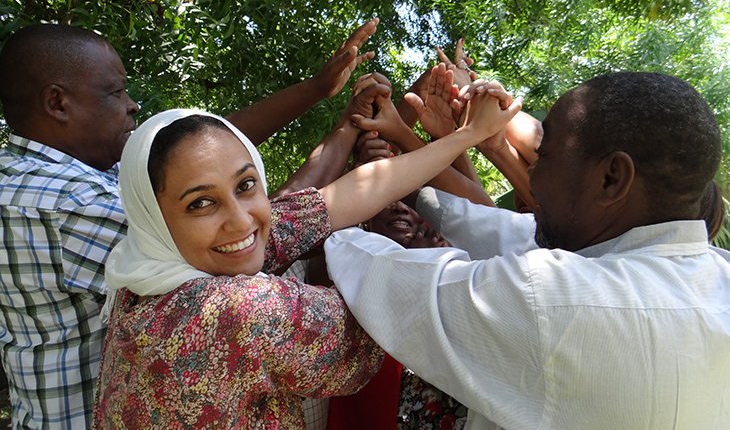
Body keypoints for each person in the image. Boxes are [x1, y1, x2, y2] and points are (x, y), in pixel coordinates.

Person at [0, 19, 377, 429]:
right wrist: (350, 140)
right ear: (58, 103)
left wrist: (315, 90)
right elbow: (243, 234)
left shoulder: (40, 178)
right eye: (115, 91)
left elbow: (196, 153)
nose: (132, 104)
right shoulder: (67, 205)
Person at [92, 88, 520, 428]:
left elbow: (350, 193)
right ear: (153, 214)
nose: (240, 221)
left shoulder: (145, 272)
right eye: (201, 203)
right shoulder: (231, 311)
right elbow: (407, 308)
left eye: (245, 185)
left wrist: (469, 135)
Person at [324, 71, 730, 430]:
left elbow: (377, 270)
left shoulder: (558, 304)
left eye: (546, 154)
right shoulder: (715, 277)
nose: (531, 173)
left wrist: (296, 217)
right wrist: (407, 149)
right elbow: (494, 226)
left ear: (612, 178)